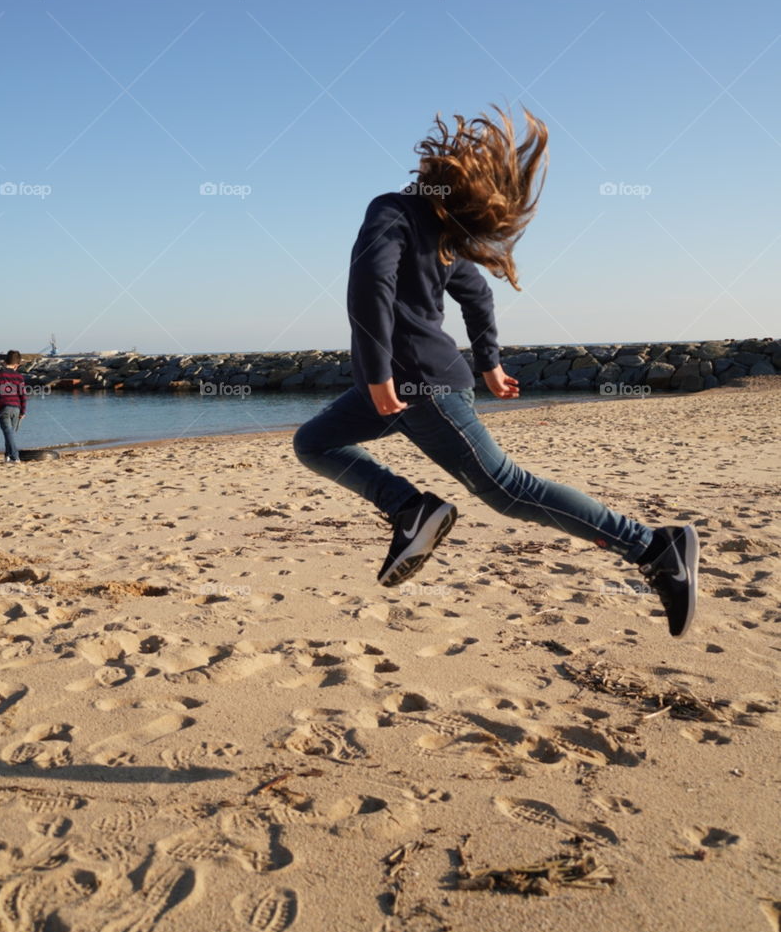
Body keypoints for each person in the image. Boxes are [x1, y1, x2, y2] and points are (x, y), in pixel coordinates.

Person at [293, 109, 700, 638]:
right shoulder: (435, 228)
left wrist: (377, 372)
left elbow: (372, 284)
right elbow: (477, 293)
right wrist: (487, 362)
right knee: (314, 442)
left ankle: (652, 546)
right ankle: (411, 509)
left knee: (509, 490)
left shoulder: (392, 210)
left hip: (420, 386)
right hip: (412, 384)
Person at [0, 350, 27, 464]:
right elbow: (23, 396)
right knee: (9, 433)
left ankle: (14, 457)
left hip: (3, 407)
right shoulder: (19, 377)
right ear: (17, 365)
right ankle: (8, 456)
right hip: (16, 408)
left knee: (8, 432)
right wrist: (23, 411)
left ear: (4, 362)